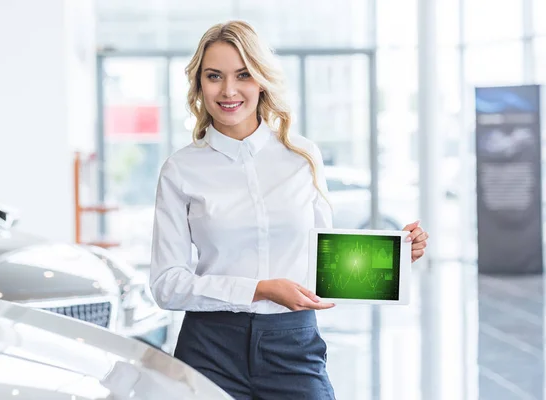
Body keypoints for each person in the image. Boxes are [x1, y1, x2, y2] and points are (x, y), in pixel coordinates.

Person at [150, 20, 429, 400]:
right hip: (208, 349)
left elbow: (320, 264)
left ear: (261, 80)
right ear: (199, 84)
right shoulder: (181, 169)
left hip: (292, 344)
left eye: (243, 75)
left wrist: (391, 259)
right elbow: (167, 285)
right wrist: (259, 289)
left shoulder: (302, 157)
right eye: (214, 76)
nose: (229, 90)